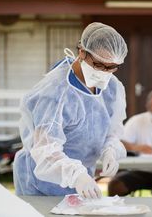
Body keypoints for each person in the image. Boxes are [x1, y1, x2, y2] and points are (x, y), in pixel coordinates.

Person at [13, 22, 128, 199]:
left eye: (111, 67)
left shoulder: (112, 88)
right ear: (82, 52)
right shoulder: (55, 91)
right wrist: (76, 175)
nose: (105, 72)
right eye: (99, 64)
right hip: (41, 184)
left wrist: (110, 150)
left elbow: (111, 131)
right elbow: (44, 148)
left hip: (82, 182)